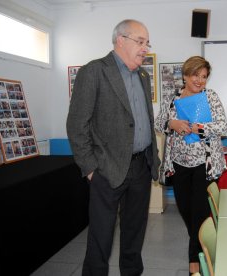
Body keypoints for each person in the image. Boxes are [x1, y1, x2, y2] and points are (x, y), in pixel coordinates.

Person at [66, 19, 160, 276]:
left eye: (146, 43)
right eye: (140, 42)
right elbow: (76, 125)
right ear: (121, 40)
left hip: (141, 167)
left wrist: (155, 158)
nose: (145, 48)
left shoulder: (142, 75)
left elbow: (144, 121)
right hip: (107, 169)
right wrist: (90, 169)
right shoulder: (94, 71)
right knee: (101, 237)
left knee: (135, 231)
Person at [154, 56, 227, 275]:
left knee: (200, 215)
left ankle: (194, 264)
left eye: (204, 77)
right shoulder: (172, 98)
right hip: (179, 165)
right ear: (185, 75)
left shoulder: (210, 96)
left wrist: (199, 127)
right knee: (187, 212)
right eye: (196, 75)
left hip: (205, 166)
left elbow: (222, 125)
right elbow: (158, 123)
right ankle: (200, 247)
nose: (200, 80)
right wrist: (172, 123)